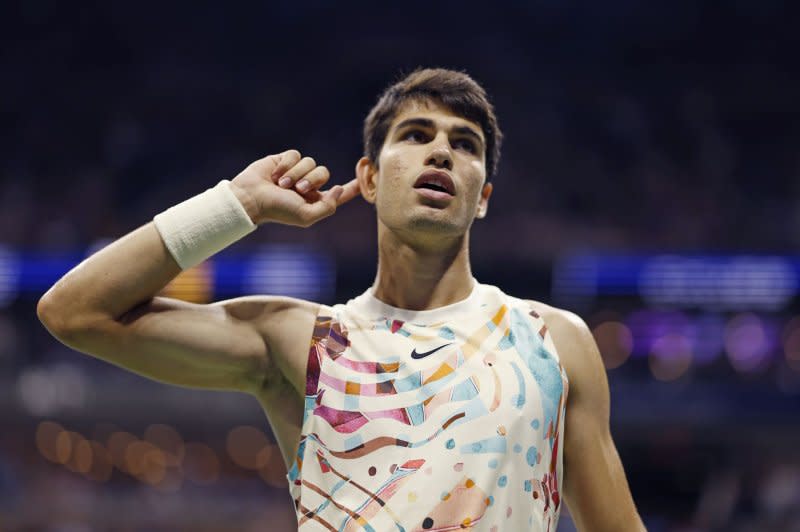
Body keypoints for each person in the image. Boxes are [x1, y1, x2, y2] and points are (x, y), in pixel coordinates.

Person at [38, 68, 645, 531]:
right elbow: (75, 312)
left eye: (464, 145)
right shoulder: (300, 340)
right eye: (416, 134)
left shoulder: (553, 342)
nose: (441, 152)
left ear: (481, 196)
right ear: (371, 178)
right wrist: (237, 206)